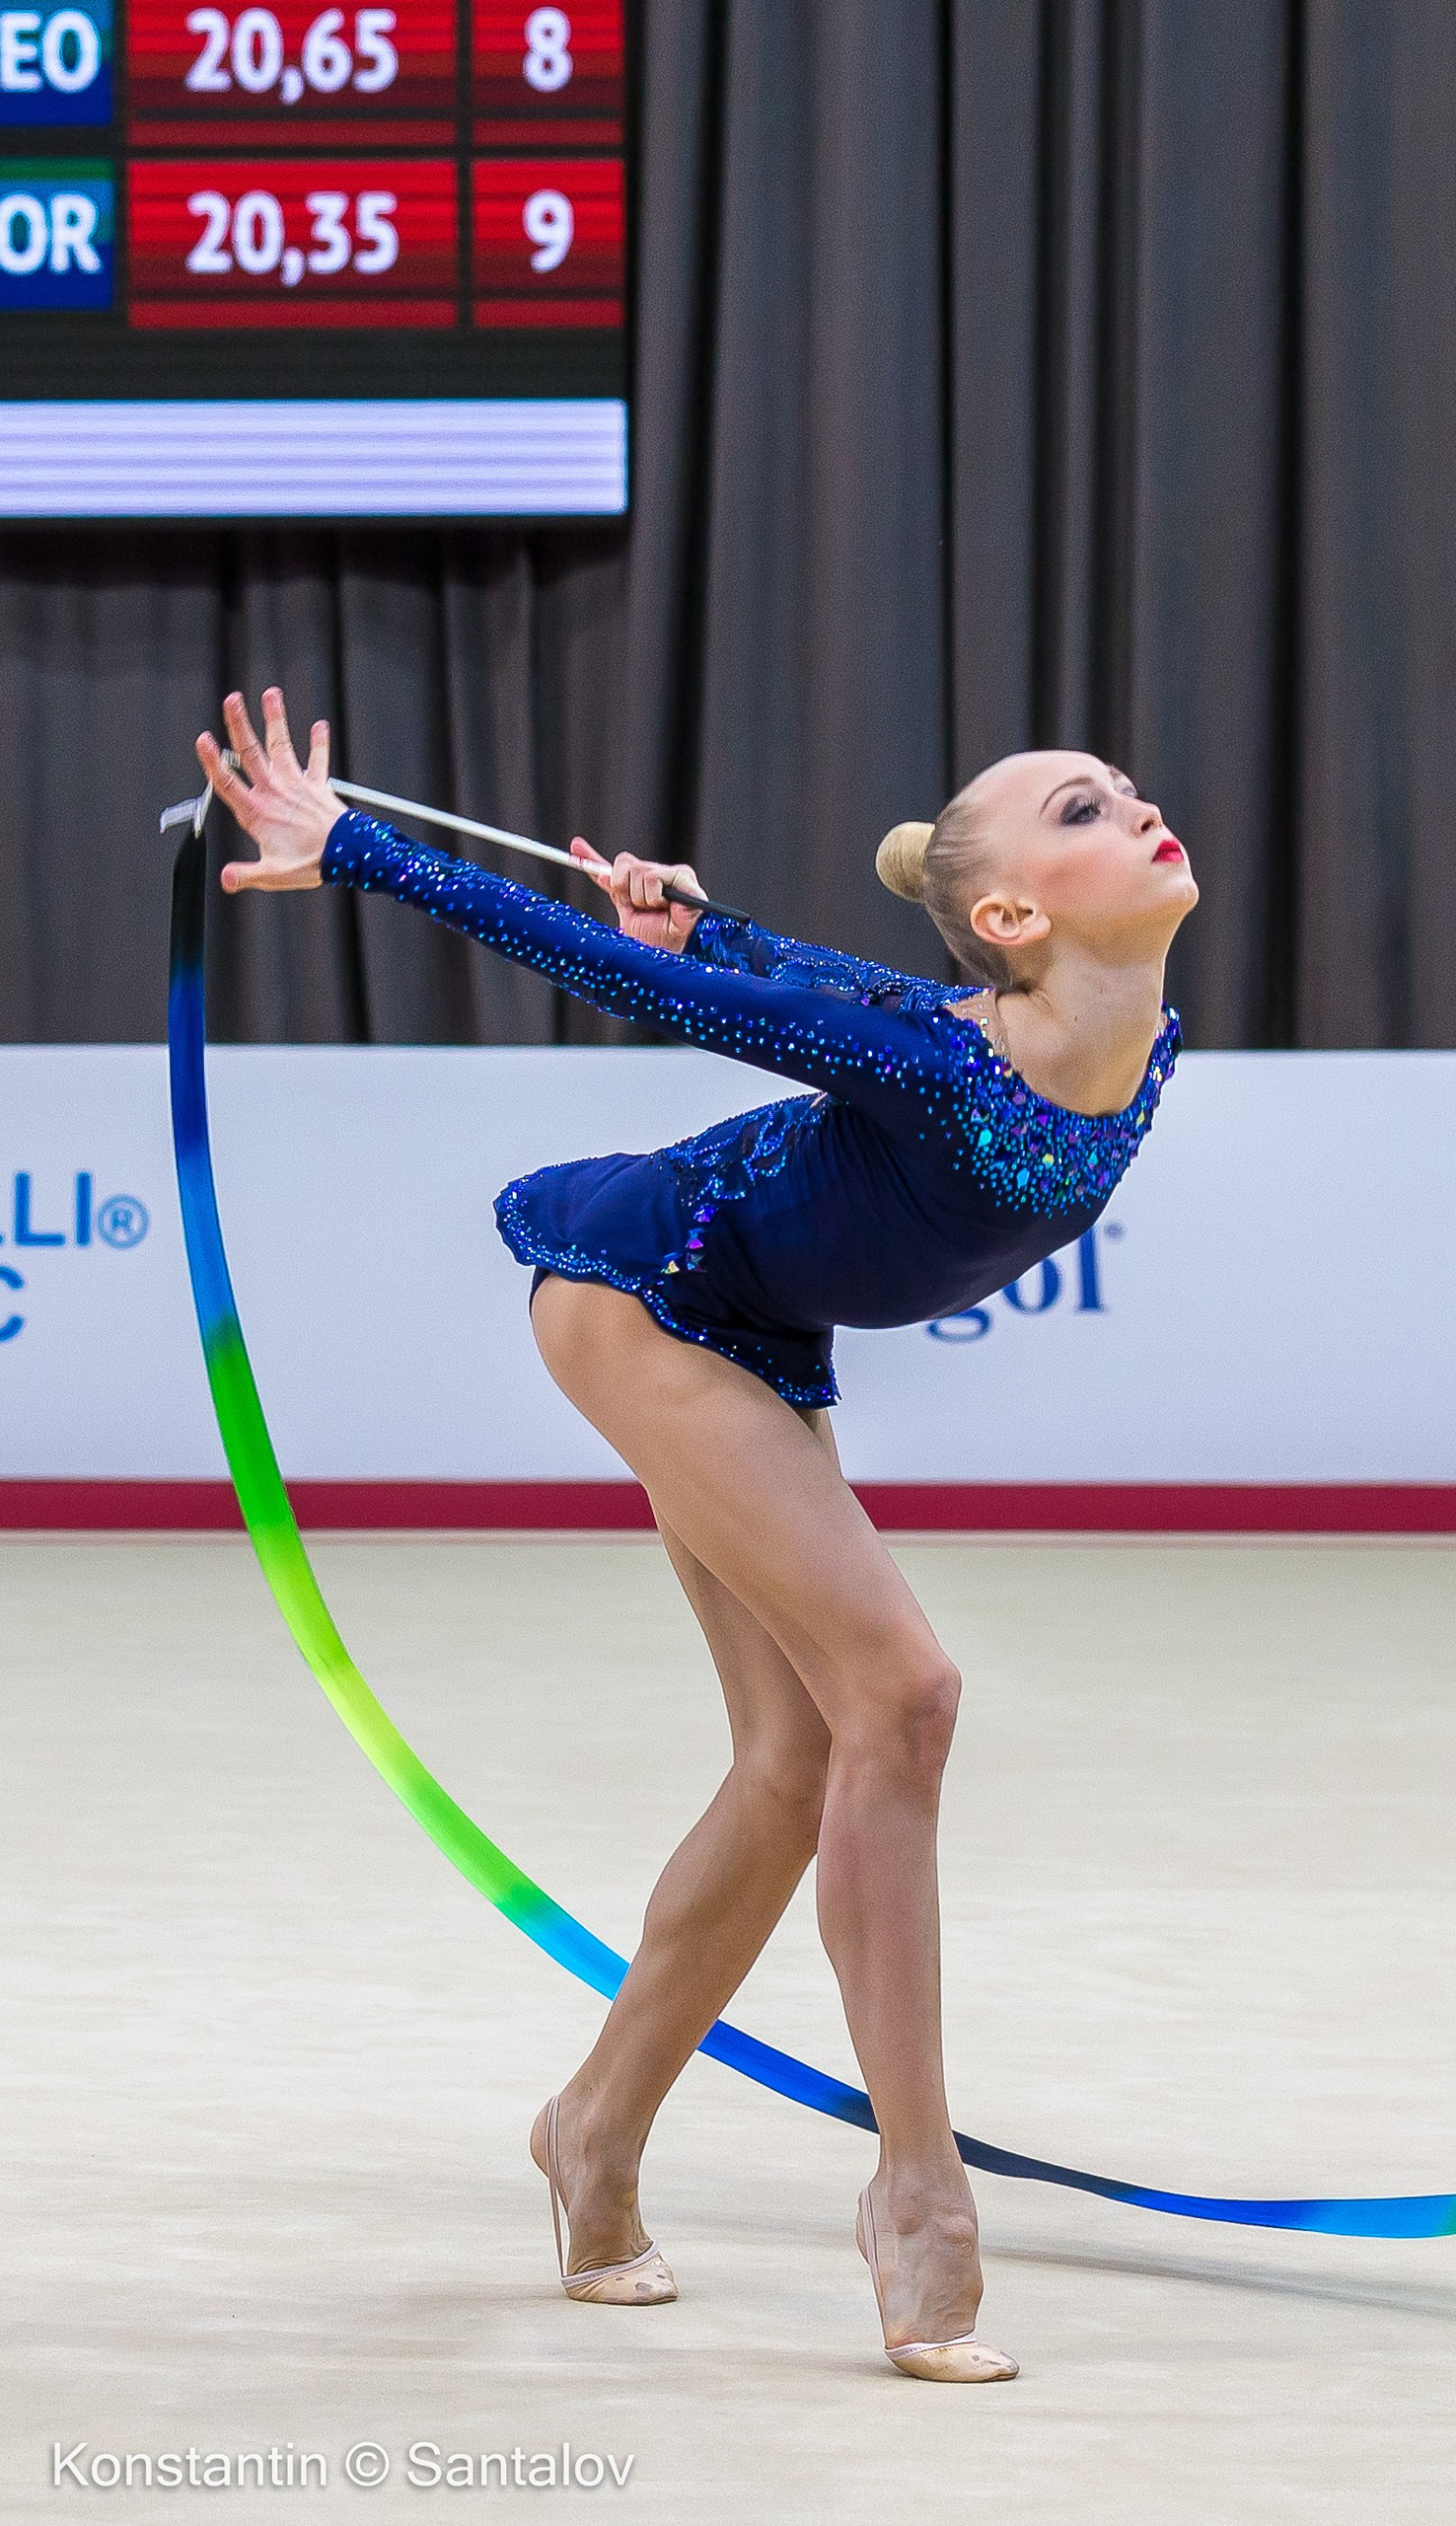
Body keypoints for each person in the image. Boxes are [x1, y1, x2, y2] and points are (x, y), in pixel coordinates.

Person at [196, 687, 1198, 2384]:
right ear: (1019, 913)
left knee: (796, 1765)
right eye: (1084, 810)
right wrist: (357, 849)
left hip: (757, 1330)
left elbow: (852, 979)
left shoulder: (1123, 1037)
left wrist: (718, 915)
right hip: (648, 1293)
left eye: (1118, 790)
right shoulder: (942, 1055)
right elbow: (653, 992)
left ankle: (592, 2131)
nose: (1138, 806)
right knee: (907, 1694)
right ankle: (917, 2190)